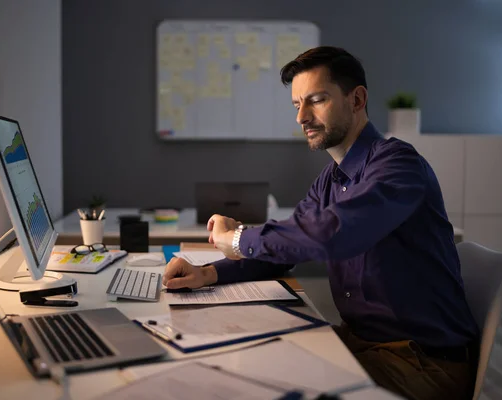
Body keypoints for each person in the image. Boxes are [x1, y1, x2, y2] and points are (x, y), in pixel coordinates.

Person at [163, 46, 479, 400]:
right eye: (297, 104)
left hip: (421, 362)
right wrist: (209, 273)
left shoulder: (398, 165)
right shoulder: (330, 180)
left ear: (356, 99)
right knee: (241, 366)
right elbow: (288, 247)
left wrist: (237, 238)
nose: (302, 117)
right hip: (361, 344)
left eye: (316, 100)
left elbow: (333, 233)